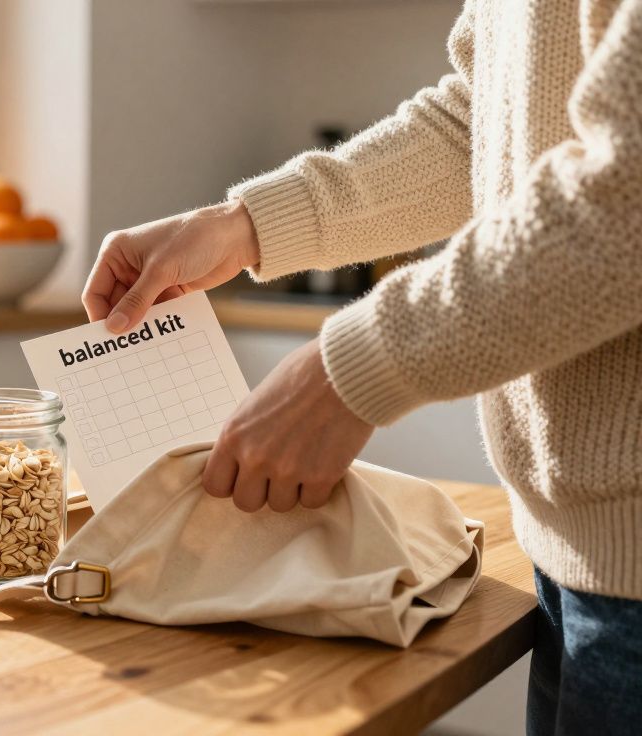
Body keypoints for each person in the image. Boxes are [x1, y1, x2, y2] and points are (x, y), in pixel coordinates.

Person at [81, 1, 641, 734]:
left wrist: (349, 371)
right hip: (575, 552)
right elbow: (477, 123)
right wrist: (243, 225)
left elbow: (626, 198)